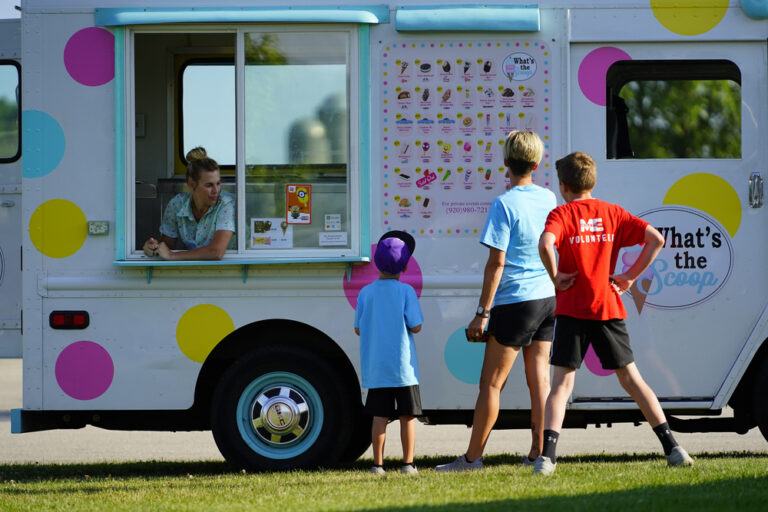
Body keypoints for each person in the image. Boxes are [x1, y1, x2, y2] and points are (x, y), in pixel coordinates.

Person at [535, 151, 694, 476]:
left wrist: (555, 277)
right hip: (608, 307)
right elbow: (656, 239)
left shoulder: (562, 213)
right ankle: (673, 448)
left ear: (564, 186)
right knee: (632, 380)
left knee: (561, 386)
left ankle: (547, 458)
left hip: (572, 310)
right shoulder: (613, 213)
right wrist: (631, 276)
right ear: (592, 182)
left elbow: (545, 243)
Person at [436, 130, 557, 472]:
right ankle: (539, 453)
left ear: (506, 162)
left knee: (490, 384)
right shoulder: (549, 198)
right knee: (540, 382)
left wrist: (481, 313)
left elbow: (497, 262)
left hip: (515, 301)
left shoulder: (504, 203)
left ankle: (472, 459)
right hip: (547, 298)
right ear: (536, 163)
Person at [354, 231, 423, 476]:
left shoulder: (365, 293)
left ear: (376, 263)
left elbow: (358, 328)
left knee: (379, 417)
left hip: (377, 366)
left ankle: (378, 465)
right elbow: (415, 325)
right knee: (407, 417)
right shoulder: (406, 292)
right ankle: (407, 464)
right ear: (405, 265)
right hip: (404, 369)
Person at [142, 147, 235, 261]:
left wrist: (172, 256)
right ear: (191, 184)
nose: (216, 190)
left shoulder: (225, 203)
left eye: (218, 183)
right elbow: (167, 245)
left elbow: (216, 252)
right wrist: (153, 247)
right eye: (209, 185)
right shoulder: (177, 204)